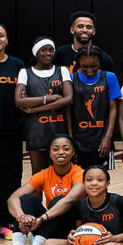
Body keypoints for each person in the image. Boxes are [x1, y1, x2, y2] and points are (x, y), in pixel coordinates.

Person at [0, 135, 84, 245]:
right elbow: (13, 198)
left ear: (73, 152)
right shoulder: (44, 174)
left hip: (70, 228)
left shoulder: (79, 173)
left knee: (60, 199)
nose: (61, 152)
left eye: (66, 149)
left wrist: (40, 219)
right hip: (50, 225)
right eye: (55, 149)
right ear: (50, 153)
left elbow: (70, 200)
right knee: (27, 198)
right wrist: (22, 217)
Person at [15, 36, 73, 173]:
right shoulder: (25, 72)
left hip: (59, 130)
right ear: (36, 52)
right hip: (36, 132)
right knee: (39, 175)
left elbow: (68, 99)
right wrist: (50, 98)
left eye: (51, 50)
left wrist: (34, 109)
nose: (48, 53)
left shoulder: (62, 70)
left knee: (60, 175)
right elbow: (19, 101)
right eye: (44, 50)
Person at [69, 45, 120, 168]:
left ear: (100, 62)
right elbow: (68, 111)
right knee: (78, 180)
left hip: (102, 138)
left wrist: (108, 137)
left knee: (101, 178)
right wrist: (70, 139)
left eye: (94, 66)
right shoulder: (71, 78)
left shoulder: (110, 77)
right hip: (78, 138)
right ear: (78, 63)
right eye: (84, 66)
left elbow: (113, 109)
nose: (89, 69)